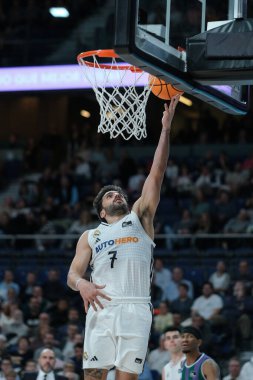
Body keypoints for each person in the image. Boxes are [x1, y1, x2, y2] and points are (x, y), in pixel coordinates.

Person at [67, 95, 180, 380]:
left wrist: (165, 129)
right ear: (102, 212)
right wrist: (81, 284)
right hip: (102, 305)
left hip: (135, 305)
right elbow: (72, 274)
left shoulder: (139, 217)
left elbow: (156, 174)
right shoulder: (90, 235)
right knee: (93, 375)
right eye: (109, 195)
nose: (117, 194)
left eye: (119, 193)